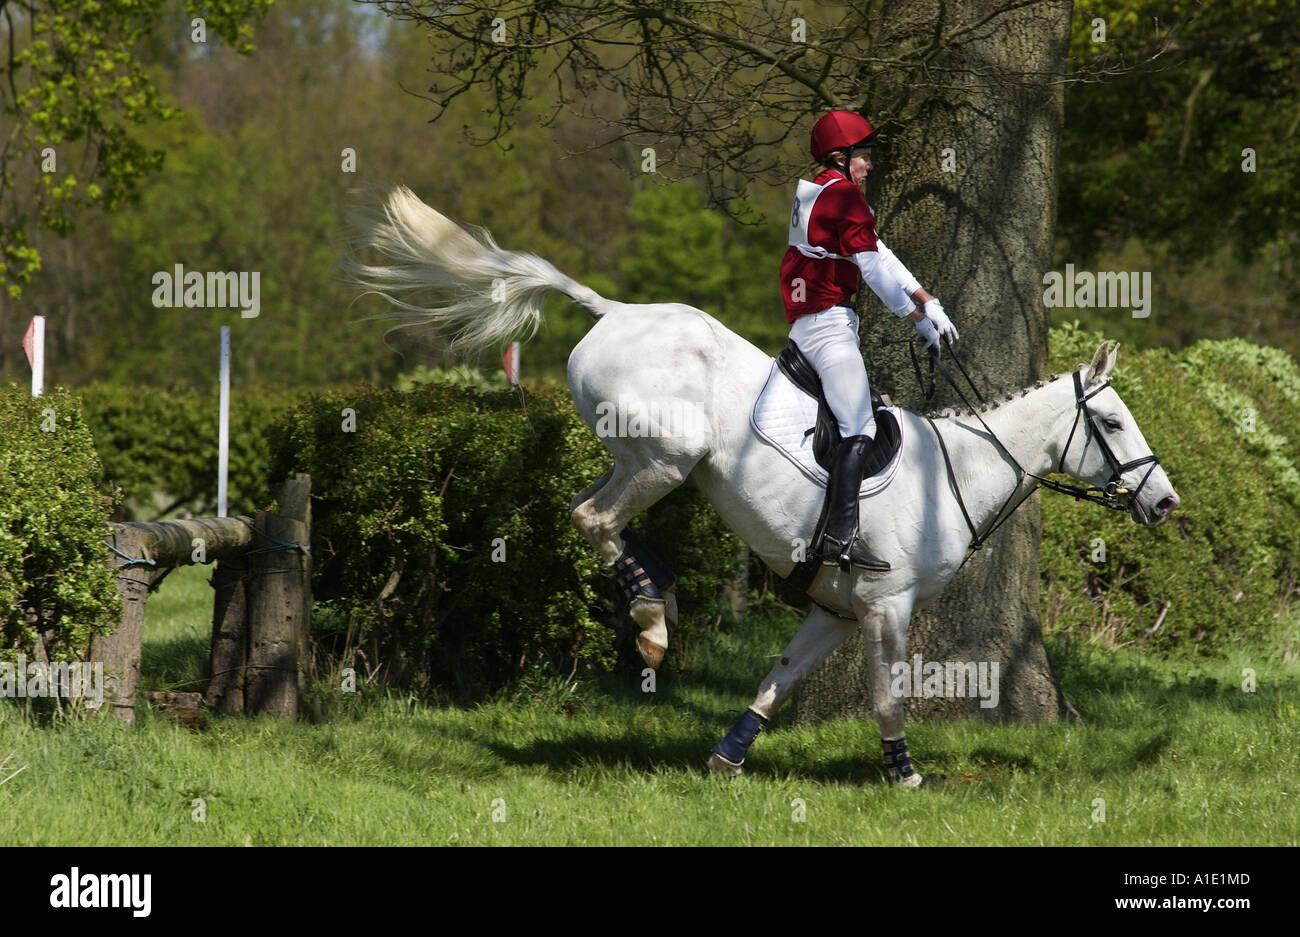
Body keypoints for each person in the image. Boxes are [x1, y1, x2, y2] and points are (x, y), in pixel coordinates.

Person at [781, 110, 959, 572]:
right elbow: (873, 268)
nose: (869, 164)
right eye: (863, 156)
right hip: (827, 325)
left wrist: (927, 298)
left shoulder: (817, 193)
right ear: (841, 157)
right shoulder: (843, 196)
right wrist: (916, 318)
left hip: (808, 321)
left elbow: (877, 249)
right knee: (859, 427)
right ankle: (839, 539)